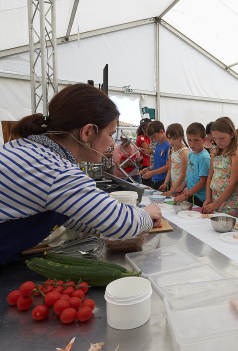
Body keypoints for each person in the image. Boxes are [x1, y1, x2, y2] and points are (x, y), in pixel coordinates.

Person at [0, 84, 161, 264]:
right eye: (110, 134)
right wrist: (147, 214)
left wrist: (99, 222)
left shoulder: (30, 149)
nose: (110, 144)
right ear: (88, 132)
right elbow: (121, 222)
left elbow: (69, 214)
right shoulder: (55, 169)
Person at [202, 117, 238, 217]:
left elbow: (233, 183)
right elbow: (210, 177)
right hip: (214, 198)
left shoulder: (237, 154)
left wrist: (216, 203)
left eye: (222, 138)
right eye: (215, 138)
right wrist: (208, 198)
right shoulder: (215, 153)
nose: (218, 142)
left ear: (232, 134)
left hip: (229, 202)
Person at [174, 123, 210, 207]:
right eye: (189, 140)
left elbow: (203, 182)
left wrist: (185, 195)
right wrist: (183, 186)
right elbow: (190, 173)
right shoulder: (191, 154)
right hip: (191, 194)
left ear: (204, 140)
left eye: (196, 140)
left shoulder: (204, 157)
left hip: (200, 198)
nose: (192, 143)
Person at [159, 123, 189, 196]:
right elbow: (170, 168)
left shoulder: (184, 152)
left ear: (181, 138)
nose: (171, 141)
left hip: (182, 187)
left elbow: (183, 175)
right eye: (169, 138)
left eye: (174, 139)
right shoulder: (171, 150)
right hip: (174, 185)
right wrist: (165, 183)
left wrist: (173, 191)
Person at [141, 121, 170, 190]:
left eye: (154, 136)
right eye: (152, 137)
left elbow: (168, 166)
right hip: (156, 179)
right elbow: (158, 163)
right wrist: (148, 169)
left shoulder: (168, 145)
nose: (154, 139)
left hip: (164, 180)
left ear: (161, 131)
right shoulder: (158, 144)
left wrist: (152, 173)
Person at [136, 118, 153, 187]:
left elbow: (149, 150)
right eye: (143, 128)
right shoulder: (141, 137)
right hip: (144, 164)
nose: (145, 130)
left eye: (147, 127)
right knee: (146, 185)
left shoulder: (151, 138)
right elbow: (147, 149)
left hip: (150, 164)